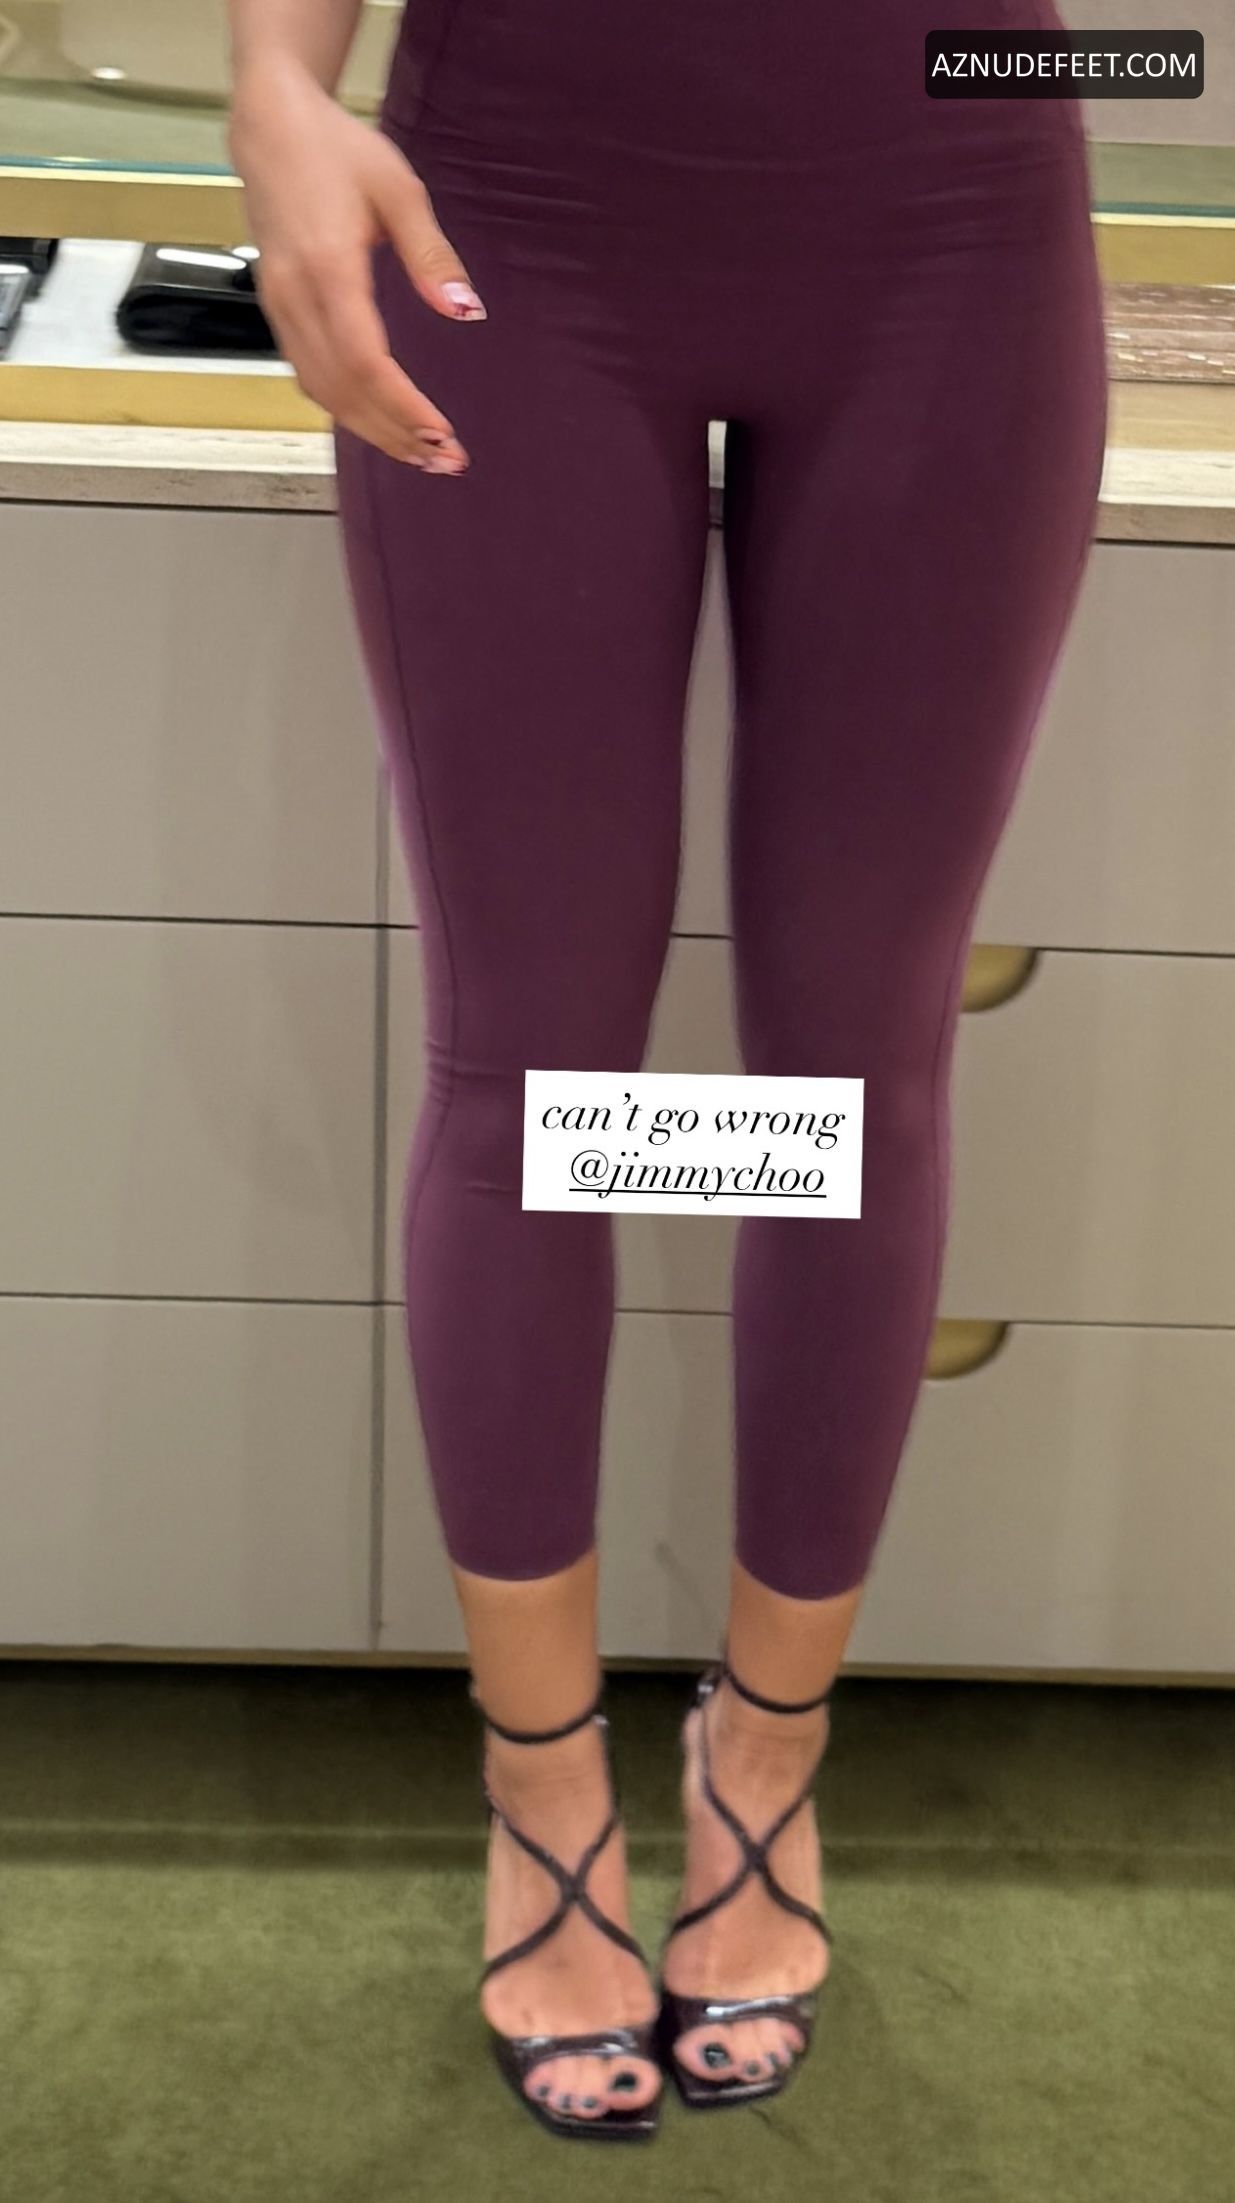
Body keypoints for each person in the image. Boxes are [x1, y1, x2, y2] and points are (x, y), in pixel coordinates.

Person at [226, 0, 1108, 2141]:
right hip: (510, 208)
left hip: (951, 188)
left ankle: (763, 1753)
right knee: (533, 1079)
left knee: (848, 1079)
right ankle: (543, 1789)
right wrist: (271, 89)